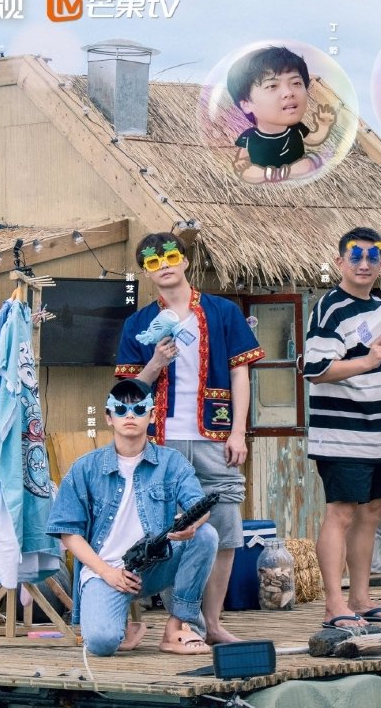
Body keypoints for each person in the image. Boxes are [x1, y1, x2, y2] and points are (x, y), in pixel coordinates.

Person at [116, 232, 264, 645]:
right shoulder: (138, 323)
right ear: (145, 271)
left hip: (215, 435)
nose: (162, 265)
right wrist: (155, 362)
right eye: (152, 262)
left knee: (225, 526)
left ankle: (212, 623)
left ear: (184, 261)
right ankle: (181, 623)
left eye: (169, 257)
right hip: (159, 440)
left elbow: (239, 373)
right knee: (166, 531)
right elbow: (129, 392)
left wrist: (238, 431)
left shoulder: (222, 311)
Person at [47, 378, 217, 657]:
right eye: (121, 409)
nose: (130, 416)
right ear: (108, 417)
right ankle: (122, 627)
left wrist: (191, 524)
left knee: (206, 535)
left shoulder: (172, 462)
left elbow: (201, 506)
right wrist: (107, 572)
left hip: (156, 563)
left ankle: (176, 627)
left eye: (139, 409)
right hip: (106, 571)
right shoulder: (85, 468)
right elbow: (68, 532)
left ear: (152, 416)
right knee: (101, 643)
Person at [305, 227, 381, 629]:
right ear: (340, 262)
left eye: (372, 257)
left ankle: (361, 598)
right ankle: (334, 605)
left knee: (372, 511)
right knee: (342, 513)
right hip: (341, 431)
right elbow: (315, 369)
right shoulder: (329, 308)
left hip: (380, 429)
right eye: (355, 256)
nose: (364, 264)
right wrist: (365, 361)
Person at [227, 45, 337, 183]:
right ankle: (269, 174)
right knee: (248, 172)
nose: (289, 93)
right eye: (272, 86)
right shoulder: (249, 136)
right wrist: (241, 162)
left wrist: (324, 125)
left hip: (294, 168)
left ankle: (286, 172)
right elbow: (243, 157)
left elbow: (313, 139)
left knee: (308, 163)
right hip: (264, 172)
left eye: (296, 83)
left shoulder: (297, 129)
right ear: (246, 104)